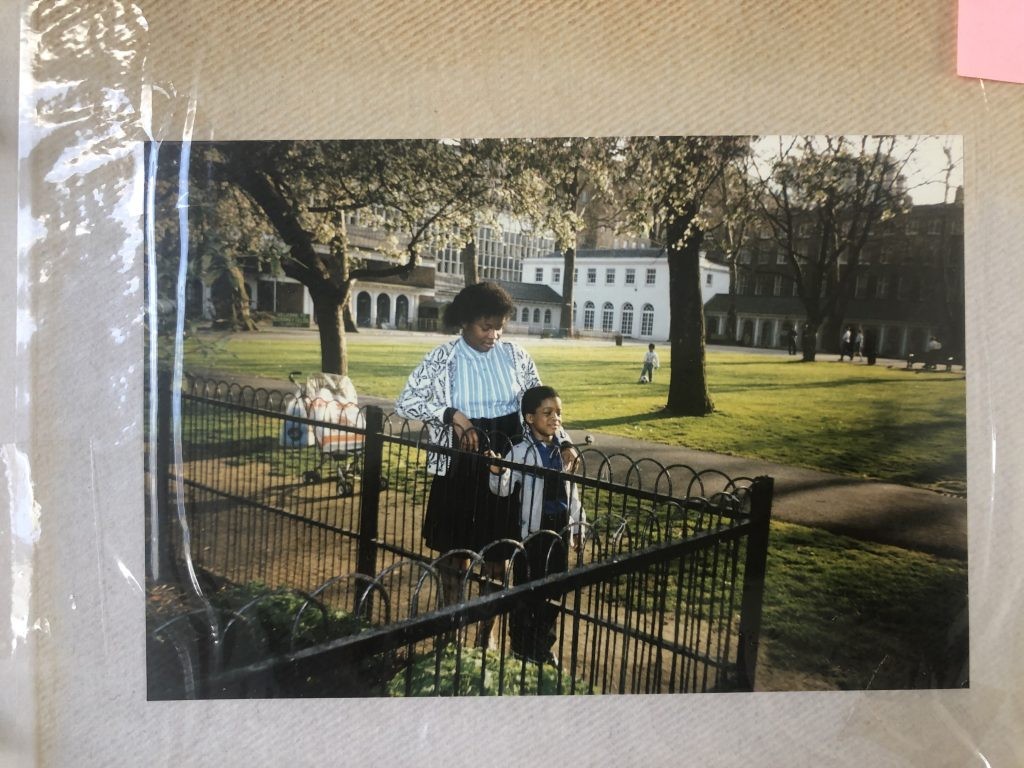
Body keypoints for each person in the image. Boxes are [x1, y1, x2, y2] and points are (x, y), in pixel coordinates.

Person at [394, 282, 574, 605]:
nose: (493, 335)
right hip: (461, 460)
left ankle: (485, 637)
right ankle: (450, 624)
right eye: (485, 327)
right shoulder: (443, 359)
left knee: (499, 551)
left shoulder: (515, 356)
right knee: (455, 553)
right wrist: (452, 415)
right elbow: (406, 402)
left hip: (506, 461)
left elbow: (541, 404)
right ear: (464, 322)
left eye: (499, 328)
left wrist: (561, 440)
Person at [487, 386, 584, 664]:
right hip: (532, 533)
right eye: (548, 413)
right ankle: (521, 647)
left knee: (554, 592)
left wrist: (577, 526)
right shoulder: (520, 452)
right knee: (527, 591)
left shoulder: (565, 454)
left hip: (560, 531)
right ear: (530, 418)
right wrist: (497, 471)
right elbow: (503, 489)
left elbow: (573, 493)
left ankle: (543, 646)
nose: (555, 418)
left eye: (559, 413)